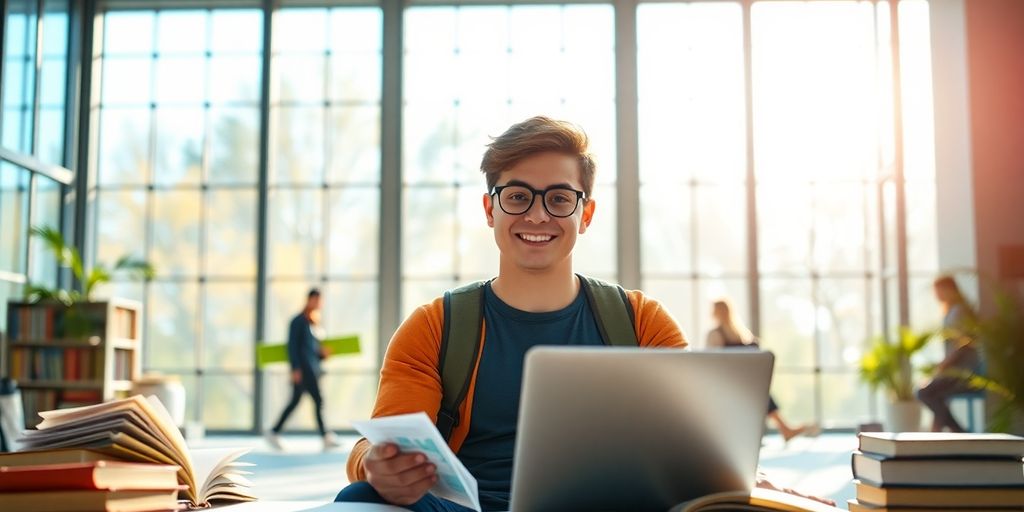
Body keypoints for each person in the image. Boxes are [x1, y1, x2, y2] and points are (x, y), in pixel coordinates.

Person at [335, 117, 834, 511]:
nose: (537, 216)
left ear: (585, 214)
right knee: (358, 501)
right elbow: (381, 444)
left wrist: (742, 477)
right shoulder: (434, 327)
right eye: (517, 196)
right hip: (469, 511)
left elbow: (693, 446)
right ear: (490, 211)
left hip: (615, 507)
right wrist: (375, 466)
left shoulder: (642, 321)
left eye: (559, 199)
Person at [705, 299, 818, 442]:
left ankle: (784, 429)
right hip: (748, 383)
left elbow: (711, 363)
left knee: (755, 392)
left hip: (728, 384)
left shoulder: (716, 334)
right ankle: (785, 428)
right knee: (760, 392)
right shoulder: (741, 333)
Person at [265, 288, 340, 451]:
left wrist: (322, 354)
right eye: (318, 300)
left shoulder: (313, 323)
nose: (320, 304)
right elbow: (293, 347)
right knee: (318, 400)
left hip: (312, 369)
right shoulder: (298, 321)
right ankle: (325, 436)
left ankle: (274, 432)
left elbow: (311, 350)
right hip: (304, 370)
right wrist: (295, 369)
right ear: (310, 299)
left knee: (295, 401)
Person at [917, 275, 980, 433]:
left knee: (924, 393)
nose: (936, 295)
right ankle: (944, 435)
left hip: (962, 372)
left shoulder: (959, 311)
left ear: (949, 290)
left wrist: (946, 363)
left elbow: (963, 343)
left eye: (938, 291)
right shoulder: (951, 311)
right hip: (953, 369)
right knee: (933, 395)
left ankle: (959, 433)